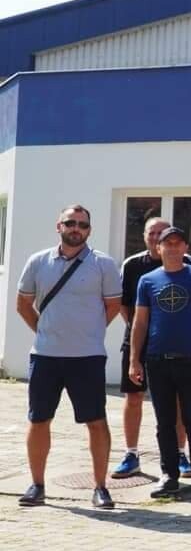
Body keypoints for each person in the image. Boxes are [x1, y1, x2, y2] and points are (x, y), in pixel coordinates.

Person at [16, 205, 122, 509]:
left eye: (83, 225)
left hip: (87, 357)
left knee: (96, 421)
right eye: (70, 223)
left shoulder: (103, 264)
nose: (76, 228)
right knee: (39, 420)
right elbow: (23, 304)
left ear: (89, 230)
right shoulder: (38, 261)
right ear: (58, 226)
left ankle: (100, 487)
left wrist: (89, 331)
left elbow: (113, 306)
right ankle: (37, 485)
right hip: (45, 356)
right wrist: (44, 331)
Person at [129, 226, 191, 501]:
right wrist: (134, 360)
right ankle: (169, 475)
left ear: (185, 248)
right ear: (158, 248)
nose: (172, 248)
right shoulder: (147, 280)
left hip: (190, 360)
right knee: (165, 421)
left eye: (177, 243)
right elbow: (140, 322)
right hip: (157, 360)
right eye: (166, 244)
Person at [112, 217, 191, 480]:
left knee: (178, 400)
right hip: (138, 343)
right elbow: (124, 304)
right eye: (152, 232)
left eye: (162, 232)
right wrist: (141, 330)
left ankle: (179, 454)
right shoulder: (132, 264)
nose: (157, 236)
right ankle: (131, 454)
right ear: (145, 236)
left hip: (175, 345)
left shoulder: (188, 262)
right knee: (134, 396)